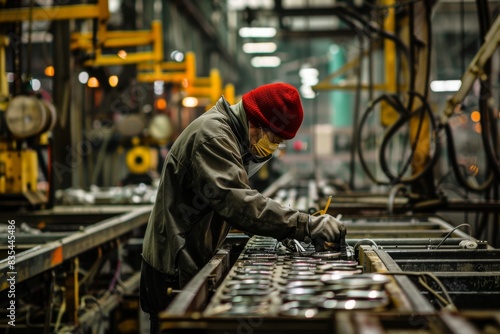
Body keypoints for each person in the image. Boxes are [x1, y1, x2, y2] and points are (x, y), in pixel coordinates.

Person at [140, 82, 346, 332]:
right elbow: (236, 203)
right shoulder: (213, 136)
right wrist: (305, 224)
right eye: (274, 139)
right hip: (172, 265)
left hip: (188, 255)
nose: (274, 147)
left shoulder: (229, 135)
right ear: (255, 124)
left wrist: (282, 231)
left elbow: (234, 200)